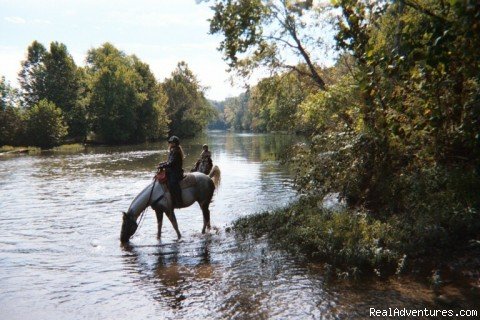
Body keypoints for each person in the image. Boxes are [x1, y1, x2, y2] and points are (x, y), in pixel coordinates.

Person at [158, 136, 184, 207]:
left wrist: (163, 166)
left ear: (175, 143)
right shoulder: (172, 151)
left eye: (172, 142)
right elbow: (168, 161)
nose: (170, 144)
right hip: (171, 171)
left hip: (176, 172)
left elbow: (171, 163)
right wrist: (162, 164)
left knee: (172, 183)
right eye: (170, 142)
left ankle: (179, 200)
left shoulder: (176, 152)